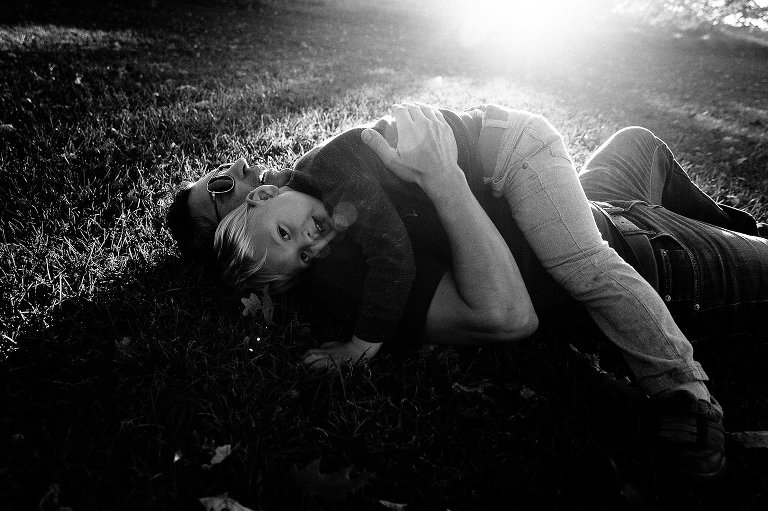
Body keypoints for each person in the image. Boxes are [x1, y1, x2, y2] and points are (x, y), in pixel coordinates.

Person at [168, 103, 768, 481]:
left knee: (638, 142)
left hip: (564, 186)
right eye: (220, 193)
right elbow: (504, 315)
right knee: (588, 261)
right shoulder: (340, 267)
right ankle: (685, 389)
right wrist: (362, 340)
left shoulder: (318, 178)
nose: (241, 175)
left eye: (228, 178)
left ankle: (740, 223)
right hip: (649, 256)